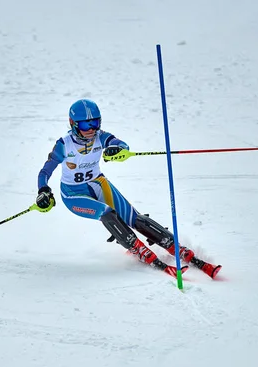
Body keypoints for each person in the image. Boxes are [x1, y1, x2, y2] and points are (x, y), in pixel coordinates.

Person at [35, 99, 221, 278]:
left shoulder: (101, 137)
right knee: (107, 213)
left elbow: (121, 145)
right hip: (73, 194)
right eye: (85, 125)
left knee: (135, 218)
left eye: (95, 123)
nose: (91, 129)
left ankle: (176, 247)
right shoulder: (64, 144)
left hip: (98, 183)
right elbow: (45, 171)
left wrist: (117, 150)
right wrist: (43, 190)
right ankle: (138, 249)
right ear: (73, 123)